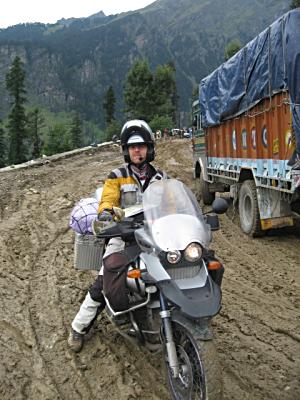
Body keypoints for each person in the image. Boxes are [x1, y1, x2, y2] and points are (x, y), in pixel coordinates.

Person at [68, 119, 168, 352]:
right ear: (126, 150)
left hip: (154, 236)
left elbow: (171, 204)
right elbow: (107, 202)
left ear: (149, 148)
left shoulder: (161, 177)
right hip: (123, 237)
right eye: (132, 147)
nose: (137, 150)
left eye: (141, 146)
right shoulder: (116, 176)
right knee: (106, 280)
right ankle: (79, 327)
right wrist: (107, 215)